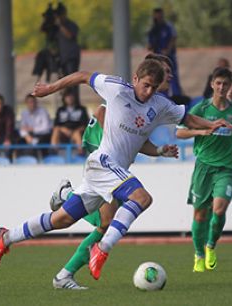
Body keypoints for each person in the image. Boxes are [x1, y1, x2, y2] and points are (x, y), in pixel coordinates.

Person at [0, 59, 232, 283]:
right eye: (146, 85)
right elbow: (83, 75)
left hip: (110, 172)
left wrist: (210, 125)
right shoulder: (116, 88)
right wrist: (50, 89)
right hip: (102, 162)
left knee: (61, 219)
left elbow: (187, 118)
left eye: (154, 88)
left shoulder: (159, 105)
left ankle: (6, 237)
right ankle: (102, 249)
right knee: (142, 198)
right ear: (135, 78)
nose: (148, 92)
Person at [48, 53, 177, 290]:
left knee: (105, 224)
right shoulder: (125, 94)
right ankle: (66, 197)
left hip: (114, 165)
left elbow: (139, 141)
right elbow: (102, 114)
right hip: (102, 159)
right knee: (107, 221)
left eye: (168, 73)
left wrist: (159, 150)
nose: (169, 75)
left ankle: (64, 275)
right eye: (166, 70)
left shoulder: (151, 105)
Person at [176, 67, 232, 272]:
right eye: (218, 83)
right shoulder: (200, 109)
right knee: (200, 215)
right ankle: (199, 254)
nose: (221, 87)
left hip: (227, 167)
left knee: (219, 209)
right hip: (204, 167)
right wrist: (204, 130)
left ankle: (211, 246)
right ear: (212, 84)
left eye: (225, 84)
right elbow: (180, 133)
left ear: (230, 86)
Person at [147, 7, 182, 96]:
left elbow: (173, 38)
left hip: (169, 57)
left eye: (160, 15)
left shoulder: (168, 26)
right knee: (160, 76)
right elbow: (150, 44)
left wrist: (167, 50)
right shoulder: (153, 29)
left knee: (172, 76)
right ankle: (162, 95)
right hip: (158, 58)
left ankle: (177, 96)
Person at [55, 3, 81, 102]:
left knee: (73, 81)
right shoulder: (56, 27)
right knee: (63, 82)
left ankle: (75, 103)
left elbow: (70, 36)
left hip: (71, 57)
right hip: (62, 58)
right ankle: (65, 103)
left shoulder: (71, 25)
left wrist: (60, 25)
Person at [51, 90, 89, 155]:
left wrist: (76, 130)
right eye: (67, 97)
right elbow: (56, 124)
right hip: (63, 133)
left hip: (77, 132)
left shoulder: (82, 109)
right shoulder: (60, 110)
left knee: (77, 133)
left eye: (71, 96)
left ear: (75, 98)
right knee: (56, 130)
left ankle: (81, 153)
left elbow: (85, 124)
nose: (70, 98)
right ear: (64, 98)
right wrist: (63, 129)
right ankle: (53, 151)